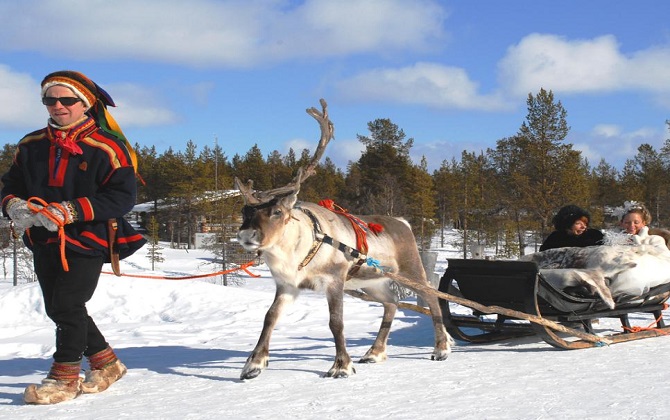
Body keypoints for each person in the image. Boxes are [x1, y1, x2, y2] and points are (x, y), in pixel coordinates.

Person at [1, 71, 146, 405]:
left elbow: (122, 198)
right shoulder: (30, 144)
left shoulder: (108, 147)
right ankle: (106, 363)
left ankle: (64, 377)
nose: (58, 106)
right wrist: (16, 206)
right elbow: (11, 186)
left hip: (88, 239)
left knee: (67, 303)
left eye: (67, 100)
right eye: (50, 100)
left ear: (85, 104)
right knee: (59, 307)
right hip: (42, 238)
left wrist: (71, 211)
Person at [540, 205, 604, 251]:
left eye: (585, 223)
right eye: (578, 224)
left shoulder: (595, 236)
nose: (583, 227)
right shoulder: (554, 239)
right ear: (567, 225)